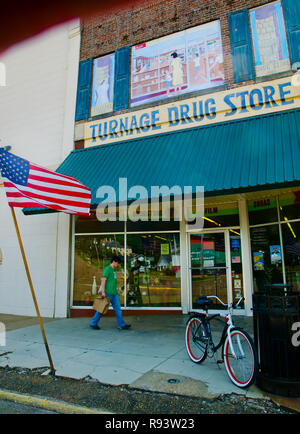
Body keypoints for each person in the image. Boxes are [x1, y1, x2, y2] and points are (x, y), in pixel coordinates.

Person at [90, 256, 131, 330]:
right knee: (101, 309)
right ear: (114, 262)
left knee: (118, 309)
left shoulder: (113, 270)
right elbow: (103, 280)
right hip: (107, 293)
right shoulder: (107, 269)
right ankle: (93, 323)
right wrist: (103, 291)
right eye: (118, 263)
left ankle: (121, 325)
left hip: (114, 294)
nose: (118, 265)